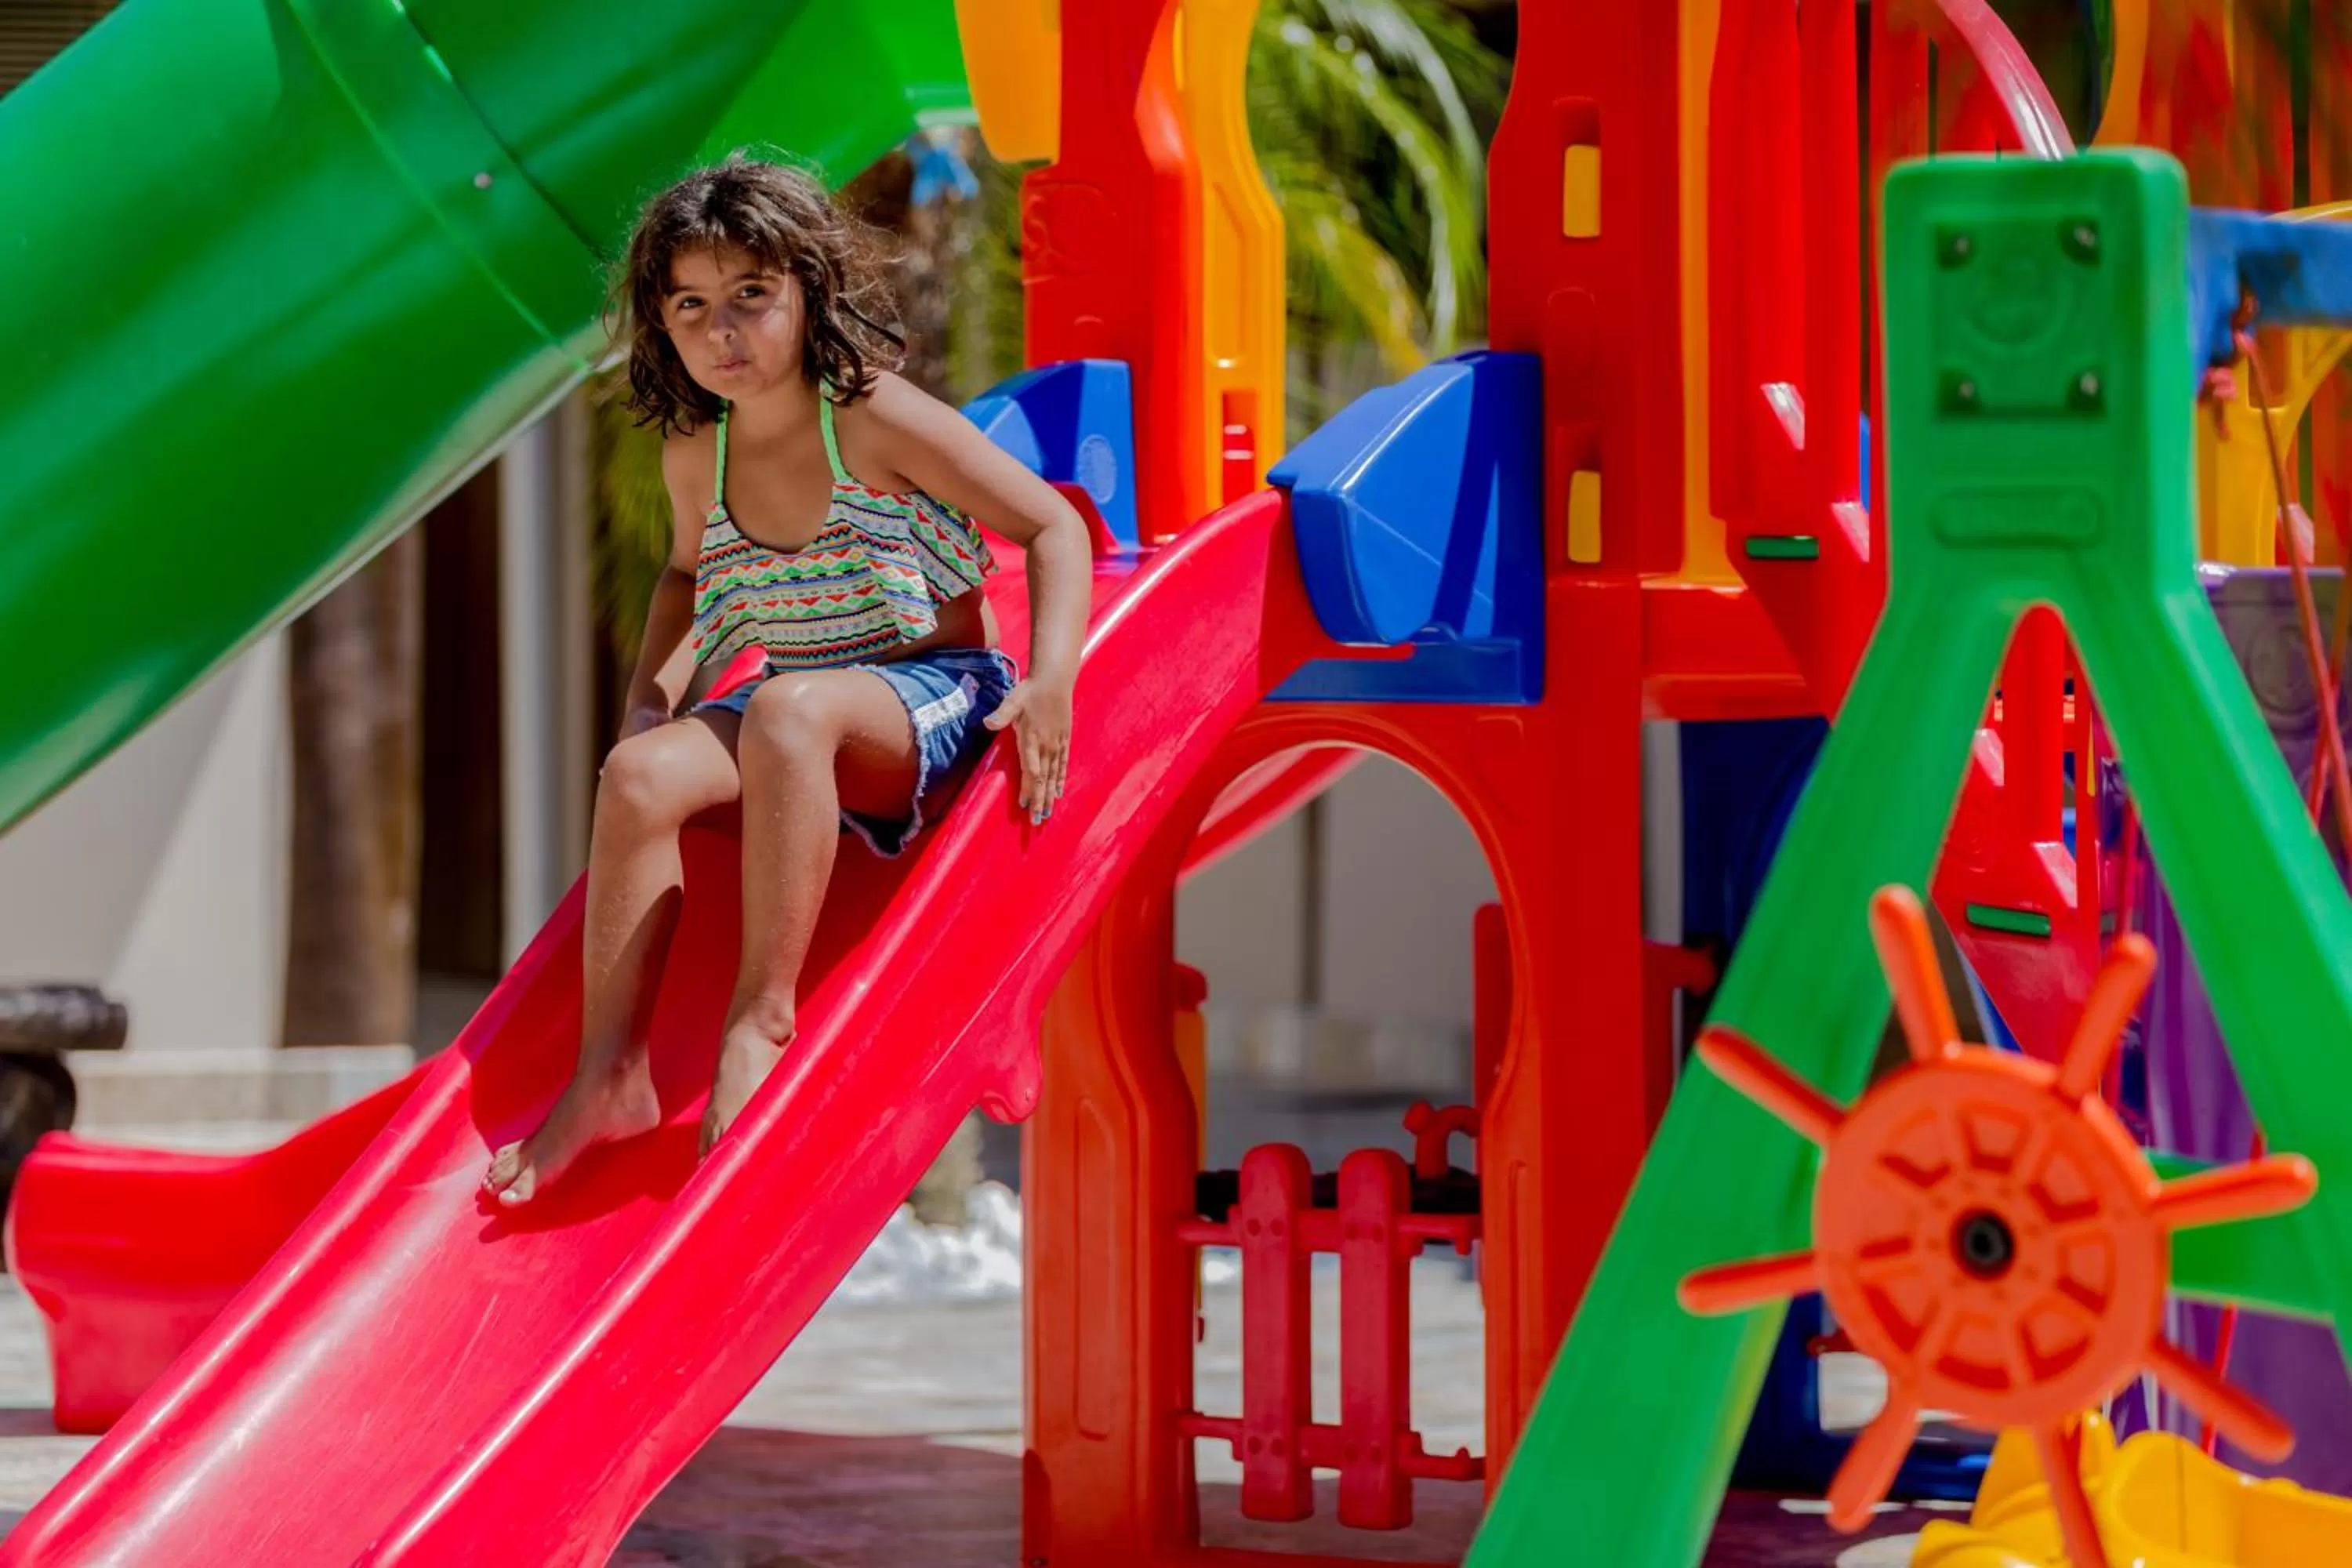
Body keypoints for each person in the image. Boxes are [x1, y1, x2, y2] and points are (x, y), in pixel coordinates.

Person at [484, 154, 1093, 1205]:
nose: (724, 330)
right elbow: (685, 578)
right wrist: (649, 701)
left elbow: (1053, 525)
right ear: (663, 326)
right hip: (796, 709)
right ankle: (611, 1075)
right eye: (692, 306)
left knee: (784, 705)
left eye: (752, 296)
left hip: (926, 696)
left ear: (810, 289)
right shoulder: (696, 454)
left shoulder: (869, 415)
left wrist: (1050, 681)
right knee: (635, 778)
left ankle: (759, 1021)